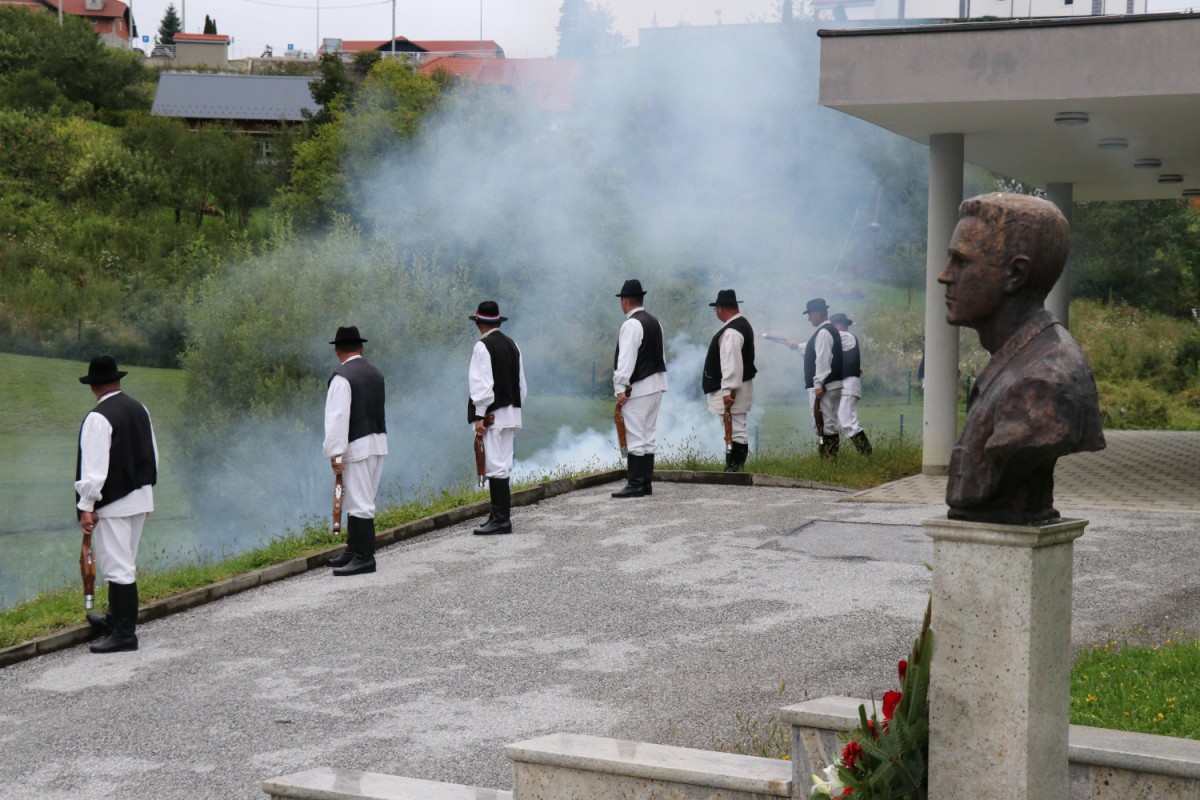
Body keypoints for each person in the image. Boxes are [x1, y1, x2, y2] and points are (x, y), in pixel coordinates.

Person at [938, 192, 1105, 525]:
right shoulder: (1023, 362)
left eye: (962, 261)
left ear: (1015, 274)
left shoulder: (1042, 382)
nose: (945, 275)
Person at [76, 355, 158, 654]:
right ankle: (114, 620)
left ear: (93, 386)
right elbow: (153, 455)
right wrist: (147, 491)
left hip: (112, 502)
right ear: (117, 380)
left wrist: (87, 505)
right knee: (125, 561)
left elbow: (95, 469)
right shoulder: (140, 408)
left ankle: (124, 634)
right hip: (140, 496)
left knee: (118, 567)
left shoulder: (98, 417)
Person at [324, 325, 388, 576]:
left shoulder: (342, 377)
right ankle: (354, 549)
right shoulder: (375, 372)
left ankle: (364, 557)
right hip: (377, 441)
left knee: (360, 502)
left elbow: (337, 419)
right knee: (359, 498)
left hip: (356, 444)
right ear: (361, 347)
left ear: (337, 351)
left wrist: (335, 453)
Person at [468, 301, 528, 534]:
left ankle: (501, 519)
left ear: (480, 323)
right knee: (502, 464)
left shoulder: (482, 347)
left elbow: (482, 386)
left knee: (494, 464)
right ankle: (498, 515)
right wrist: (514, 407)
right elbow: (522, 386)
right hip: (511, 412)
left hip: (493, 414)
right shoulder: (513, 345)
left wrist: (480, 415)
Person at [611, 279, 669, 498]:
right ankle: (645, 484)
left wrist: (620, 387)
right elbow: (661, 356)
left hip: (639, 387)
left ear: (625, 301)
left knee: (635, 435)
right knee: (648, 435)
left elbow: (625, 361)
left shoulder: (631, 324)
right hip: (657, 384)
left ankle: (635, 483)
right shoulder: (655, 322)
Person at [703, 289, 756, 471]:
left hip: (733, 388)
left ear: (720, 308)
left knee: (735, 428)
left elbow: (731, 364)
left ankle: (734, 466)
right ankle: (733, 465)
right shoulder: (741, 325)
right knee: (733, 427)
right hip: (737, 386)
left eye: (716, 308)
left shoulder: (732, 331)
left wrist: (728, 390)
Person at [803, 298, 844, 458]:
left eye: (810, 314)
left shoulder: (823, 332)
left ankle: (827, 459)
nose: (809, 318)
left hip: (824, 386)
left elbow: (823, 359)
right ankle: (830, 459)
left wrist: (819, 383)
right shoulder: (828, 330)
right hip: (831, 384)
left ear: (818, 313)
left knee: (824, 423)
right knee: (830, 423)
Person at [830, 313, 872, 455]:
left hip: (848, 384)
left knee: (847, 422)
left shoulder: (846, 337)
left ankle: (867, 454)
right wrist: (798, 346)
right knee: (837, 422)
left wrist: (799, 345)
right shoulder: (840, 338)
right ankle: (831, 457)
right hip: (844, 385)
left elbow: (823, 341)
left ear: (839, 326)